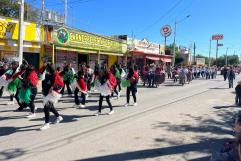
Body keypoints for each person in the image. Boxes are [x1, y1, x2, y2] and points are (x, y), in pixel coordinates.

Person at [40, 64, 64, 130]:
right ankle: (58, 117)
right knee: (51, 107)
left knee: (46, 108)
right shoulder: (48, 74)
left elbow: (61, 84)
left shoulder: (55, 75)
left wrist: (53, 87)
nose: (46, 70)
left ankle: (47, 123)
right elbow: (44, 82)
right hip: (46, 93)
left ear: (50, 69)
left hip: (51, 94)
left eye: (47, 68)